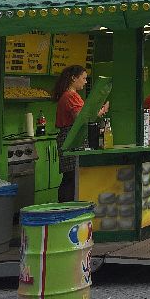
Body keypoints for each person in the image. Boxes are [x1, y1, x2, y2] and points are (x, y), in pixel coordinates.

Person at [51, 64, 109, 201]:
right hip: (72, 138)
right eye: (83, 78)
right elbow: (80, 118)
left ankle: (67, 205)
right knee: (72, 177)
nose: (86, 81)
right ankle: (67, 206)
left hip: (69, 137)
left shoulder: (69, 95)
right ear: (73, 78)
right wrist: (100, 111)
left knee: (71, 176)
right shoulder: (71, 96)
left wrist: (98, 112)